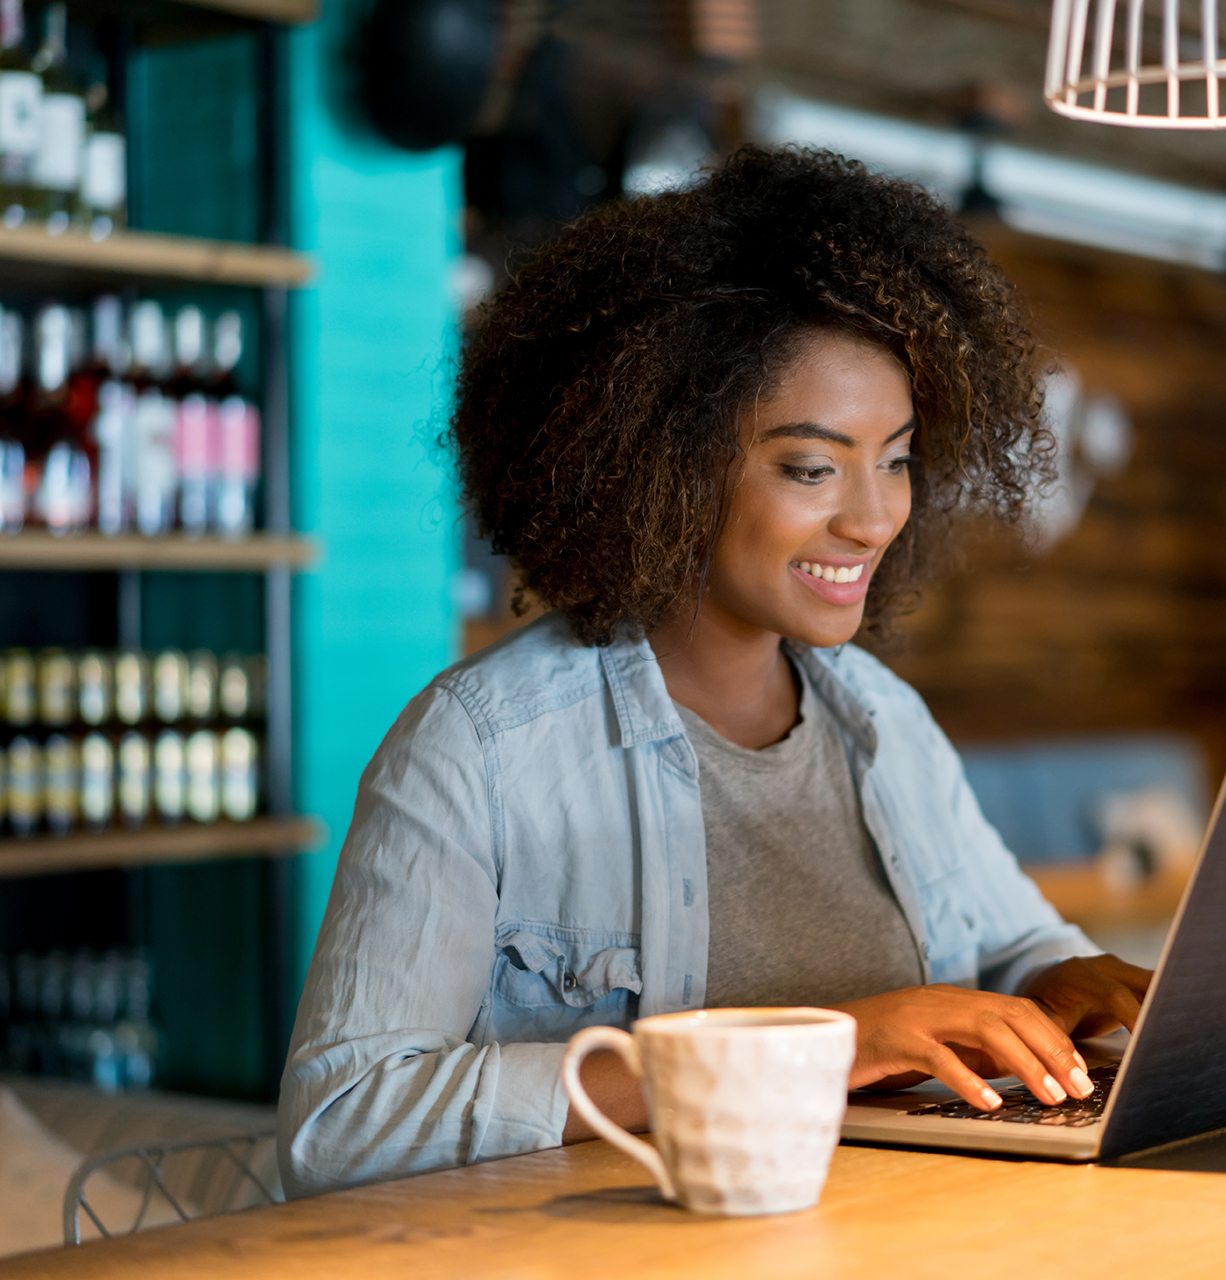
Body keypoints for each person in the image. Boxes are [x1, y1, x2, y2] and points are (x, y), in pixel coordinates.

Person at [278, 146, 1152, 1197]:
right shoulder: (482, 746)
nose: (873, 516)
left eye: (898, 457)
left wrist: (1071, 981)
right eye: (813, 466)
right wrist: (822, 1044)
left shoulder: (882, 719)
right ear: (664, 460)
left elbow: (1014, 944)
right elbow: (338, 1121)